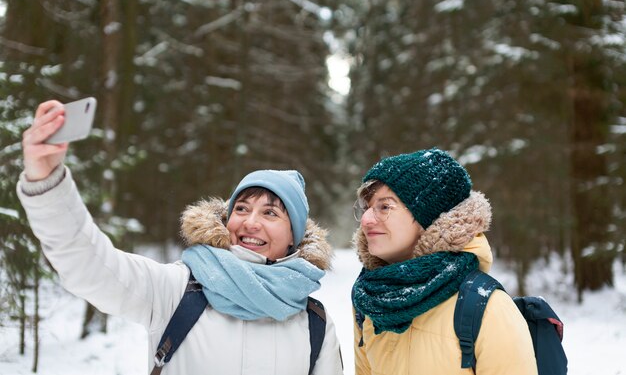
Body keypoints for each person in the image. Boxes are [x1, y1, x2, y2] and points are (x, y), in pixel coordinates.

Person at [17, 100, 344, 375]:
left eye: (271, 213)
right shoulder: (175, 290)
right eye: (241, 208)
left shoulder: (314, 324)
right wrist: (47, 181)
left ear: (294, 238)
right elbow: (88, 264)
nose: (251, 222)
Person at [350, 148, 537, 375]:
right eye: (367, 208)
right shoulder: (370, 301)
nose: (367, 220)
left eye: (385, 207)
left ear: (428, 216)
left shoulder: (487, 308)